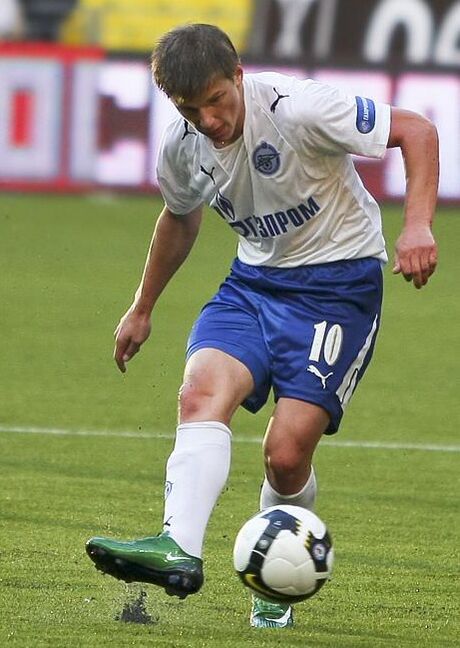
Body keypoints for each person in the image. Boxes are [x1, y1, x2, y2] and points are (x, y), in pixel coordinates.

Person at [86, 24, 439, 628]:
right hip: (252, 285)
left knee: (285, 455)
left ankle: (274, 582)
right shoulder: (183, 144)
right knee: (199, 393)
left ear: (238, 76)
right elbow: (180, 217)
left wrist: (417, 226)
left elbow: (417, 130)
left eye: (217, 101)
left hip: (338, 288)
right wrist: (142, 307)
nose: (209, 120)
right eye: (190, 110)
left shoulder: (297, 107)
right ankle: (179, 546)